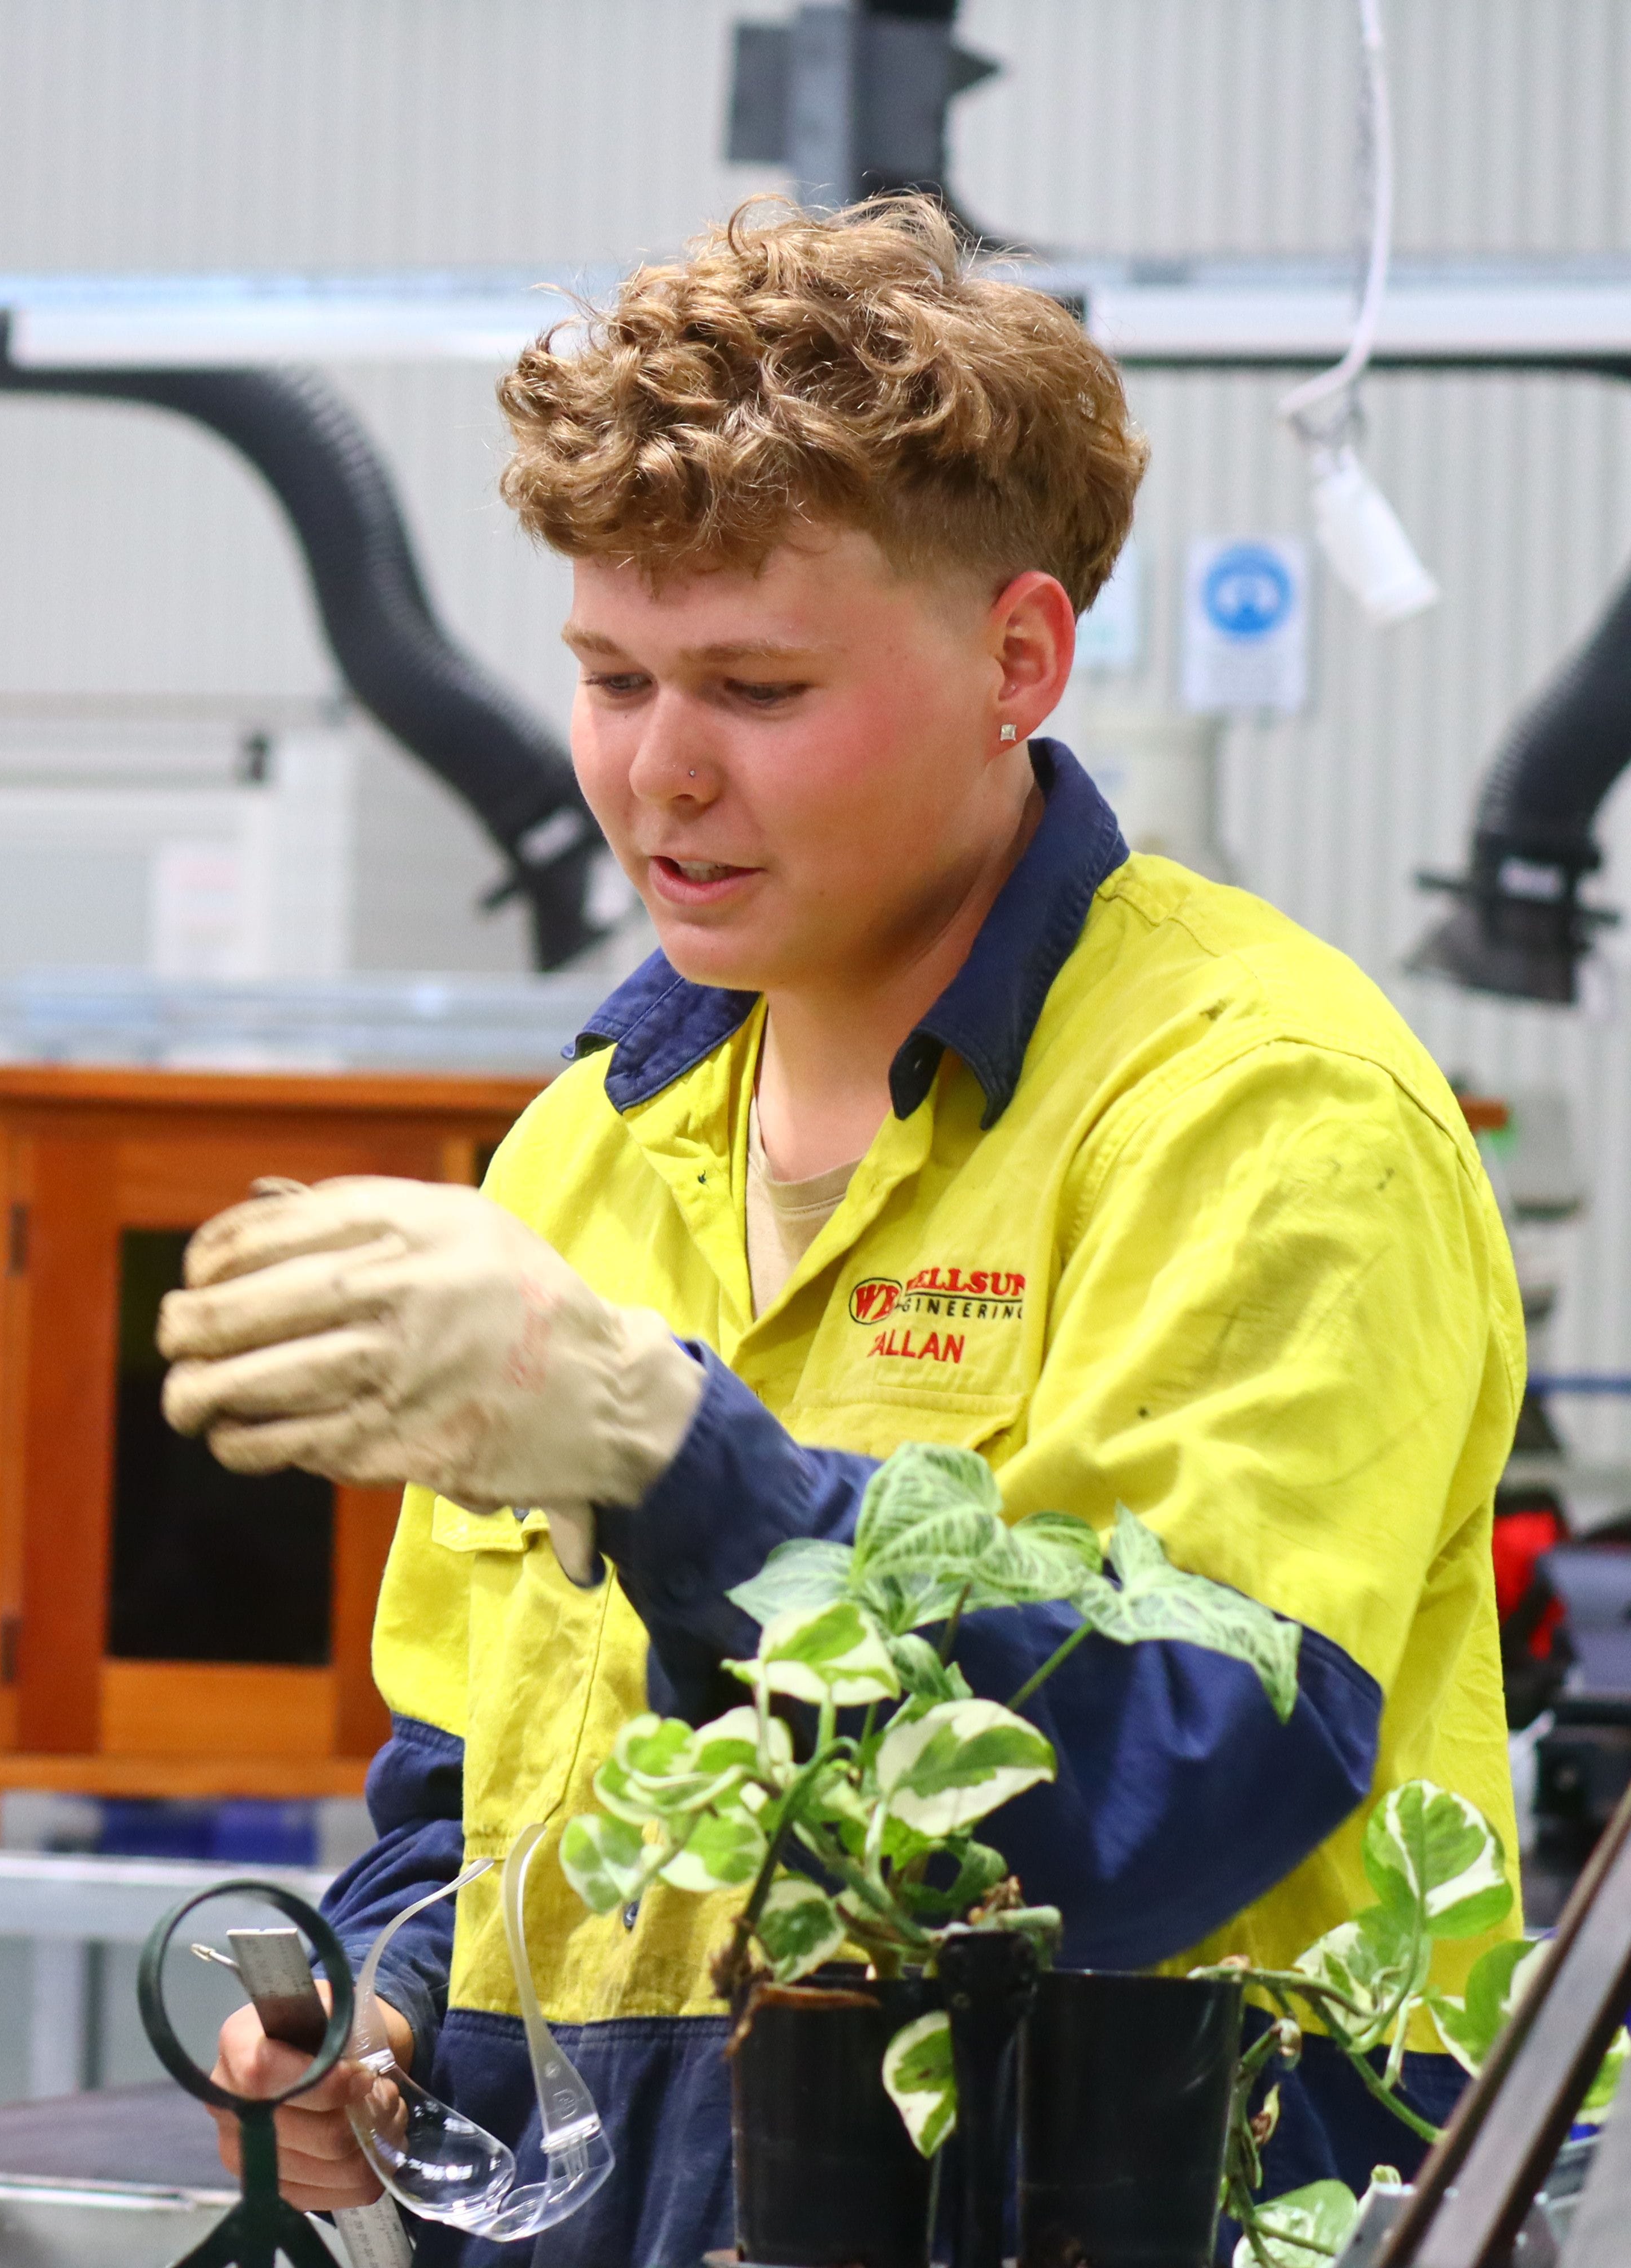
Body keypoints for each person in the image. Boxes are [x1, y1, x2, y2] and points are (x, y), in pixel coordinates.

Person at [161, 197, 1520, 2263]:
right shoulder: (586, 1157)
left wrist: (666, 1457)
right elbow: (469, 1775)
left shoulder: (1258, 1111)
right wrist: (378, 2006)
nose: (655, 775)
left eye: (759, 687)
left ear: (1021, 657)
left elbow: (1162, 1797)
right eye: (610, 678)